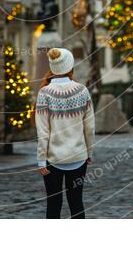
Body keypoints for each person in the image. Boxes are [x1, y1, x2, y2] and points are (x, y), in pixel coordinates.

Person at [35, 47, 95, 219]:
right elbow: (89, 127)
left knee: (53, 205)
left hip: (52, 160)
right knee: (77, 203)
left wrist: (41, 158)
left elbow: (43, 129)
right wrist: (89, 152)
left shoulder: (44, 93)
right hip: (78, 157)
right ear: (70, 67)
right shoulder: (82, 91)